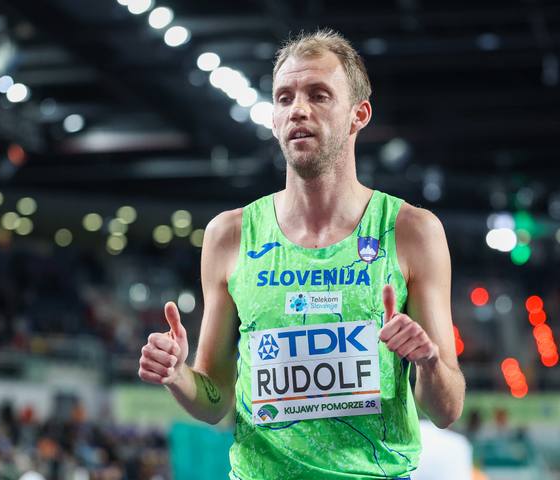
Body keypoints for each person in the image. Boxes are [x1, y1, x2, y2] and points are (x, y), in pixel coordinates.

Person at [138, 28, 465, 479]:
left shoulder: (411, 232)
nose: (298, 110)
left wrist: (428, 363)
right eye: (284, 98)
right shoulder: (230, 235)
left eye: (319, 95)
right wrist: (178, 376)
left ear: (358, 114)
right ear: (274, 119)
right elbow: (215, 400)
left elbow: (447, 409)